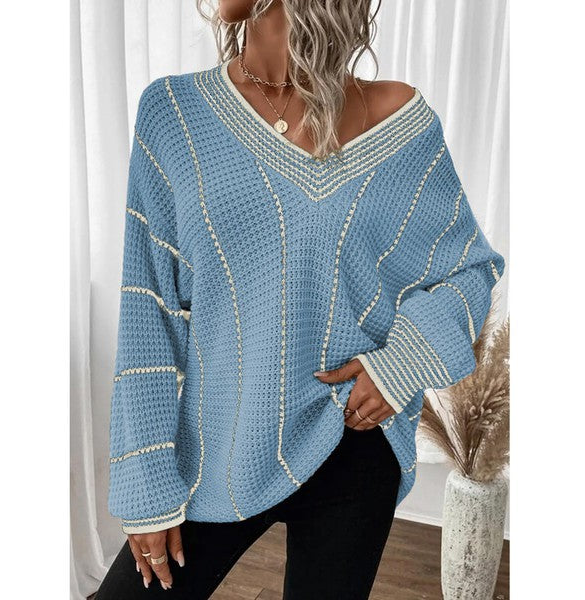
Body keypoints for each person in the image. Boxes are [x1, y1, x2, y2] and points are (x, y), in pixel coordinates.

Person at [95, 1, 505, 598]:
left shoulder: (401, 122)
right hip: (220, 446)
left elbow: (469, 268)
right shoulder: (174, 114)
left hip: (354, 444)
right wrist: (146, 486)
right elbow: (148, 312)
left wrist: (401, 364)